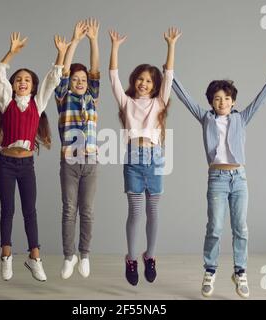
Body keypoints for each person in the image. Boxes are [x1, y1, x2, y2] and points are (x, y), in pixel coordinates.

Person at [172, 58, 266, 298]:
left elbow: (261, 99)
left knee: (241, 228)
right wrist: (169, 74)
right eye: (217, 98)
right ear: (211, 102)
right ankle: (210, 270)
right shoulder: (206, 118)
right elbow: (185, 98)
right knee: (214, 227)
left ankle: (240, 271)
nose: (222, 102)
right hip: (217, 179)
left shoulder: (241, 118)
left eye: (226, 98)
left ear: (233, 101)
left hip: (239, 178)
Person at [108, 27, 181, 285]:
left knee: (154, 212)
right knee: (136, 213)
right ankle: (131, 258)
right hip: (133, 159)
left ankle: (150, 256)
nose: (143, 83)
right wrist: (115, 47)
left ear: (155, 85)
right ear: (134, 81)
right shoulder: (126, 102)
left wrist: (171, 45)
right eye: (140, 79)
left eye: (149, 80)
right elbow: (113, 77)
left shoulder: (159, 103)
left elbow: (169, 76)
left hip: (155, 158)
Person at [0, 32, 65, 281]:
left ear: (33, 86)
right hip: (7, 164)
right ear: (13, 85)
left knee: (30, 211)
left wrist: (61, 52)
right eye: (19, 79)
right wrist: (11, 52)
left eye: (27, 80)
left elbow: (53, 78)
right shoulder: (6, 102)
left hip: (26, 164)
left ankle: (35, 258)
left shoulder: (38, 102)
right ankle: (6, 255)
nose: (23, 82)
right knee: (7, 210)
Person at [54, 19, 100, 279]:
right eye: (76, 78)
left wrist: (93, 40)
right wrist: (75, 40)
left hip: (91, 162)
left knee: (88, 210)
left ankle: (84, 255)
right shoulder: (63, 97)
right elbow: (62, 72)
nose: (80, 81)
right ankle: (68, 256)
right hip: (69, 162)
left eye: (83, 79)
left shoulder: (92, 97)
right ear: (71, 82)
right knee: (69, 208)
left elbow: (95, 70)